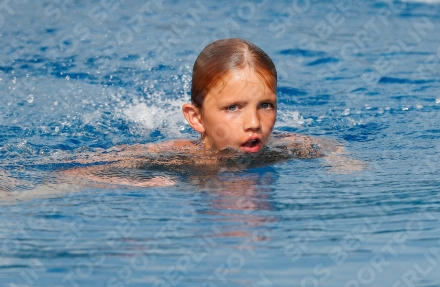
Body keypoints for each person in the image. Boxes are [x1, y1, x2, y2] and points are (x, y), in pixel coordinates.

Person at [59, 38, 362, 188]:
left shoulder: (284, 149)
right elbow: (75, 172)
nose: (254, 123)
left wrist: (341, 161)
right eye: (233, 108)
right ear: (196, 118)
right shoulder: (175, 158)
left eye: (265, 105)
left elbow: (327, 145)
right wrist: (136, 181)